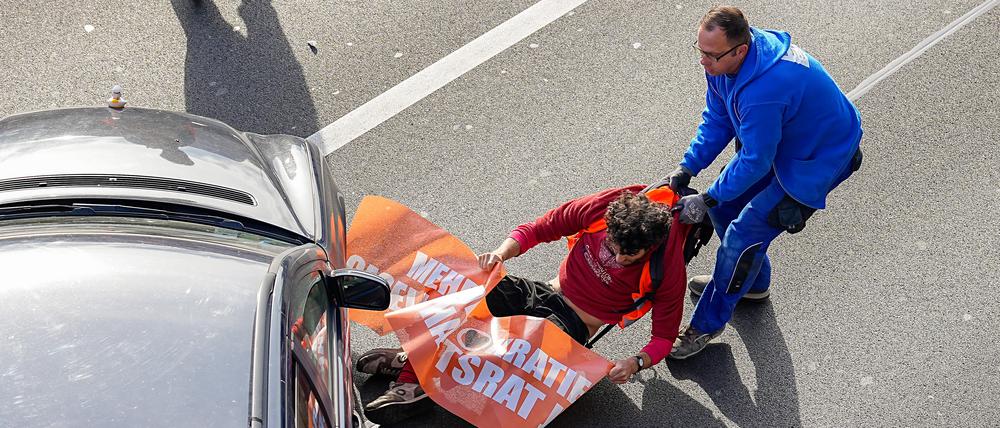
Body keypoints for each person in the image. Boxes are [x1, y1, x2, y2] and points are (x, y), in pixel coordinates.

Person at [358, 185, 692, 425]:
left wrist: (635, 362)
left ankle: (427, 372)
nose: (617, 259)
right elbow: (542, 227)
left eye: (628, 257)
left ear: (651, 247)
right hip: (541, 292)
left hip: (572, 326)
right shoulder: (603, 208)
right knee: (465, 294)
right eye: (614, 247)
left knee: (511, 351)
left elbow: (664, 336)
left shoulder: (669, 267)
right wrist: (501, 253)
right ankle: (412, 373)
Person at [666, 6, 863, 360]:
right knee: (725, 208)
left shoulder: (766, 89)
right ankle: (751, 284)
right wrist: (688, 167)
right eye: (700, 51)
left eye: (711, 55)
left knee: (743, 236)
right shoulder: (727, 63)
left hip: (817, 161)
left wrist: (707, 197)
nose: (703, 62)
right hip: (784, 144)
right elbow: (718, 119)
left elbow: (755, 160)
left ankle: (706, 324)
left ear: (740, 50)